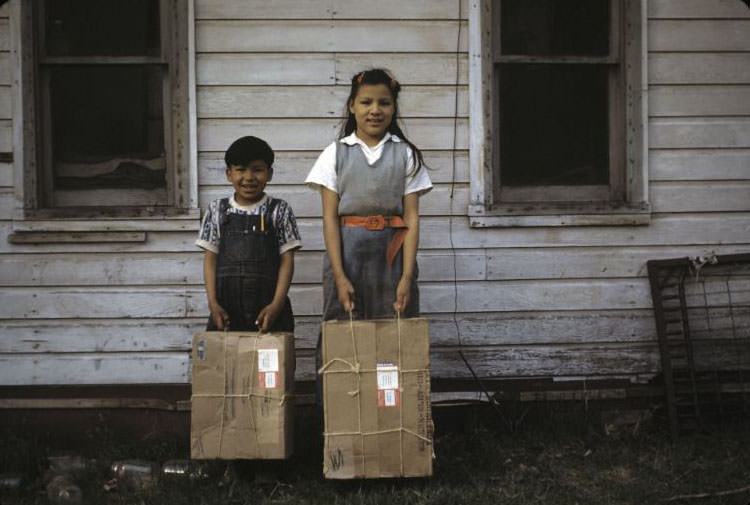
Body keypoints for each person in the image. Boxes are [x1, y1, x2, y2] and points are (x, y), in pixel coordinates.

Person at [306, 68, 432, 323]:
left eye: (384, 103)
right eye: (366, 102)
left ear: (394, 108)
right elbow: (330, 218)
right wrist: (340, 276)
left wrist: (406, 276)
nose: (375, 110)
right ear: (352, 106)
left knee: (395, 327)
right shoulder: (335, 153)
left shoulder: (404, 154)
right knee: (344, 328)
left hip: (392, 258)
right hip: (347, 257)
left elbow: (412, 218)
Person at [196, 135, 301, 332]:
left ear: (269, 173)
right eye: (241, 170)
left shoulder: (280, 210)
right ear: (229, 174)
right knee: (227, 362)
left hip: (269, 309)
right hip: (227, 311)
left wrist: (277, 304)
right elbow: (210, 259)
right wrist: (213, 304)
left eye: (257, 169)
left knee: (270, 361)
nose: (249, 177)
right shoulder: (216, 210)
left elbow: (287, 260)